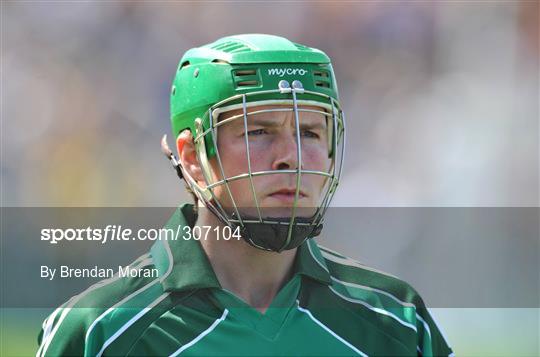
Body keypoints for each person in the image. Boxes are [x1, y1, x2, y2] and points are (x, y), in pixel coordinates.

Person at [37, 34, 454, 356]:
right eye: (258, 132)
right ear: (193, 155)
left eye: (309, 132)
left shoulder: (396, 321)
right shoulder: (100, 329)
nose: (290, 157)